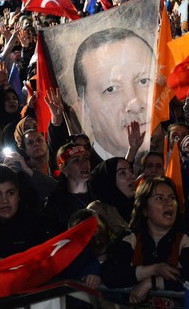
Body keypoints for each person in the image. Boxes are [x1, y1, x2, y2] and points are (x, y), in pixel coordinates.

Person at [100, 177, 189, 304]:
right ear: (144, 209)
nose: (168, 203)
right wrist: (153, 269)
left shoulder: (188, 237)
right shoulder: (131, 238)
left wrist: (152, 282)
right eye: (159, 198)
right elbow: (110, 273)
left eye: (172, 198)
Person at [73, 28, 156, 159]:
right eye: (111, 89)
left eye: (144, 81)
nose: (135, 106)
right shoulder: (89, 175)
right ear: (85, 109)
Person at [45, 143, 94, 233]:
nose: (84, 163)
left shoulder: (99, 192)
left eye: (85, 158)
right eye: (76, 160)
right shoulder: (55, 203)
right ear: (64, 168)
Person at [88, 157, 135, 239]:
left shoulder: (140, 205)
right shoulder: (98, 209)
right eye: (122, 173)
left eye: (131, 171)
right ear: (109, 181)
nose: (132, 176)